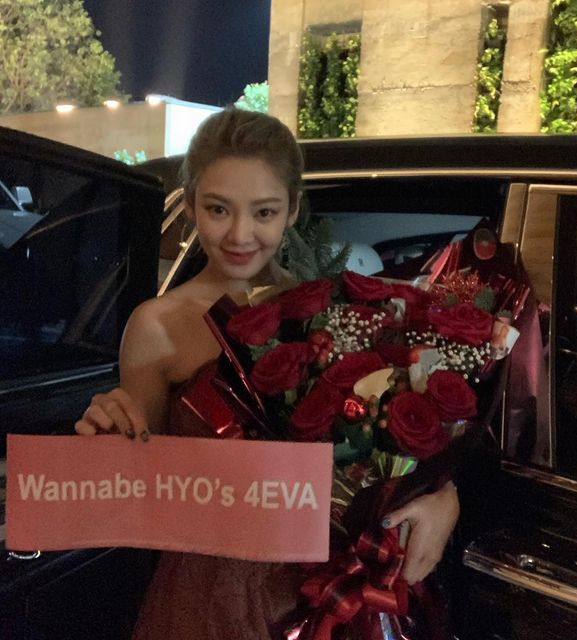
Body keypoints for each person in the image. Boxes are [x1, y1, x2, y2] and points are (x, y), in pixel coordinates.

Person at [75, 107, 460, 639]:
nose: (240, 234)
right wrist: (108, 436)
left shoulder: (336, 314)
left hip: (318, 594)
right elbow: (144, 483)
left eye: (264, 212)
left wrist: (444, 495)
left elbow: (382, 451)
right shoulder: (155, 325)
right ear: (191, 204)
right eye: (218, 209)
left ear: (292, 209)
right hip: (203, 600)